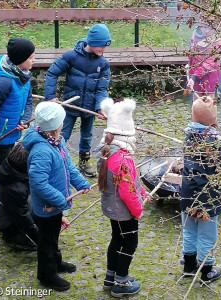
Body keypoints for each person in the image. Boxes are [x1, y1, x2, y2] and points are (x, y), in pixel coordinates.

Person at [22, 101, 91, 291]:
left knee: (54, 236)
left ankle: (56, 263)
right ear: (55, 125)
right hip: (47, 206)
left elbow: (68, 165)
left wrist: (81, 183)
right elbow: (38, 183)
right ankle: (46, 274)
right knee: (46, 242)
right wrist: (60, 199)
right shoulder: (42, 150)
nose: (64, 123)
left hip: (56, 204)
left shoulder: (57, 141)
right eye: (62, 120)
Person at [96, 97, 152, 298]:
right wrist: (138, 210)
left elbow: (131, 182)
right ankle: (121, 281)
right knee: (130, 243)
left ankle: (110, 277)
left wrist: (143, 192)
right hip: (124, 212)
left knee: (116, 240)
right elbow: (127, 192)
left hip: (113, 209)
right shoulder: (123, 159)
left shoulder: (106, 153)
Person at [44, 24, 111, 178]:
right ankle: (58, 161)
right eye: (101, 45)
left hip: (89, 107)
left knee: (87, 136)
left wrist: (100, 107)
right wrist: (50, 97)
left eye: (105, 46)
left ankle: (84, 161)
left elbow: (102, 88)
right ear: (92, 42)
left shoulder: (103, 63)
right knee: (63, 134)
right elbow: (52, 72)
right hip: (70, 104)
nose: (103, 49)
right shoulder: (71, 56)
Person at [180, 96, 221, 283]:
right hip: (208, 196)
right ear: (214, 119)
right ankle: (206, 270)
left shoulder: (188, 135)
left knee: (188, 230)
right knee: (207, 234)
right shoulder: (218, 142)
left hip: (187, 192)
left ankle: (188, 265)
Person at [0, 37, 35, 195]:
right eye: (31, 57)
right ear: (20, 59)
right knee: (3, 171)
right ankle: (1, 202)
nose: (34, 60)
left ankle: (7, 198)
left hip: (12, 132)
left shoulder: (24, 76)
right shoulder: (4, 82)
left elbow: (28, 101)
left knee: (8, 168)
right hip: (0, 137)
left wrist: (24, 120)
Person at [0, 142, 38, 249]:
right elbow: (23, 219)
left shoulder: (9, 166)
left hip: (13, 209)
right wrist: (42, 240)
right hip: (9, 223)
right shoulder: (15, 189)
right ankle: (16, 237)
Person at [185, 23, 221, 103]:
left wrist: (193, 77)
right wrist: (189, 63)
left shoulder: (217, 41)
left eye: (210, 28)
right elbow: (193, 51)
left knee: (209, 102)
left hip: (210, 75)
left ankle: (210, 115)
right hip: (195, 71)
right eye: (204, 27)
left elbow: (210, 63)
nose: (207, 31)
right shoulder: (196, 35)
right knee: (197, 102)